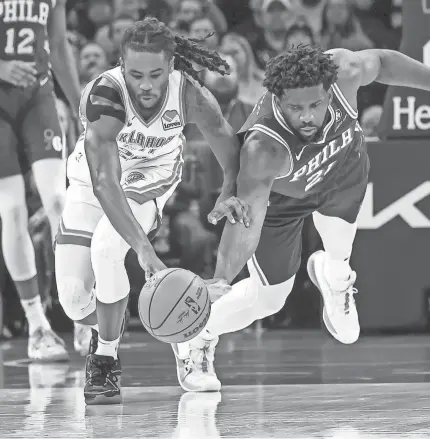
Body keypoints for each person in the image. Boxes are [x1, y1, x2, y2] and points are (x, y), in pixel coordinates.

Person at [173, 45, 430, 392]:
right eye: (296, 108)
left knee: (340, 239)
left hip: (342, 172)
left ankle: (336, 276)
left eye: (315, 105)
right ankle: (197, 333)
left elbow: (383, 61)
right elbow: (246, 221)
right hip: (283, 201)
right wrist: (221, 278)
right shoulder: (264, 149)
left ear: (329, 90)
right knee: (268, 299)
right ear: (277, 100)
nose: (308, 117)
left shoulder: (346, 71)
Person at [54, 17, 248, 405]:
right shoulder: (105, 95)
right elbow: (105, 184)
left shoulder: (189, 94)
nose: (145, 84)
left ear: (172, 65)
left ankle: (105, 356)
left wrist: (229, 190)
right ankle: (150, 320)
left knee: (108, 249)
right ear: (122, 66)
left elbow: (230, 150)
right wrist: (144, 249)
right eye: (135, 73)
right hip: (93, 180)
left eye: (156, 74)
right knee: (74, 299)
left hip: (151, 176)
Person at [0, 0, 81, 361]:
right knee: (13, 209)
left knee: (58, 202)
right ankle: (37, 325)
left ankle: (80, 311)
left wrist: (80, 103)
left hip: (39, 95)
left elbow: (59, 43)